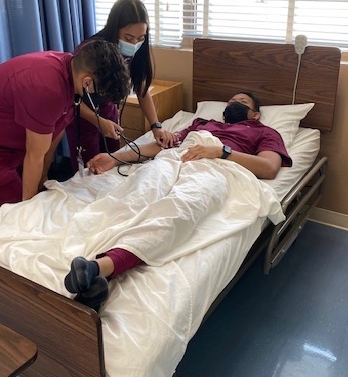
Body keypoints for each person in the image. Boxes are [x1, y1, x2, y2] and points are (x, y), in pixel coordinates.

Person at [64, 91, 292, 310]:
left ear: (255, 114)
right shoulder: (201, 124)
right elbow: (161, 145)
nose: (234, 103)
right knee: (136, 195)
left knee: (178, 210)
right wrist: (115, 158)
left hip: (217, 169)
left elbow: (269, 168)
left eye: (242, 101)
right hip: (173, 160)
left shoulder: (266, 132)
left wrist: (219, 152)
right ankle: (92, 278)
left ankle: (99, 267)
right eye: (231, 101)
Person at [0, 40, 131, 215]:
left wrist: (43, 178)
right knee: (15, 212)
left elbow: (54, 132)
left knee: (35, 195)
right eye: (101, 94)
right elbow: (35, 155)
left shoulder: (69, 71)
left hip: (10, 140)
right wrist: (29, 210)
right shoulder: (48, 88)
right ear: (87, 82)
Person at [66, 0, 177, 175]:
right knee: (89, 170)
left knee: (113, 160)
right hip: (83, 113)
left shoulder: (137, 50)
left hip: (108, 111)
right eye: (128, 37)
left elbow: (142, 90)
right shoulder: (91, 51)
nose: (134, 44)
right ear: (114, 28)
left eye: (140, 38)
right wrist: (98, 121)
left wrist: (156, 126)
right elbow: (71, 100)